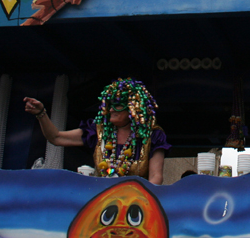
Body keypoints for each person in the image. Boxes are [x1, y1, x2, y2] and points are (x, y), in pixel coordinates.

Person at [24, 77, 169, 183]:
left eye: (118, 106)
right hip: (101, 204)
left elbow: (156, 177)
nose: (111, 109)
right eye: (110, 105)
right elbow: (56, 138)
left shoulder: (152, 136)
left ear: (134, 109)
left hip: (135, 206)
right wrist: (41, 113)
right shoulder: (98, 131)